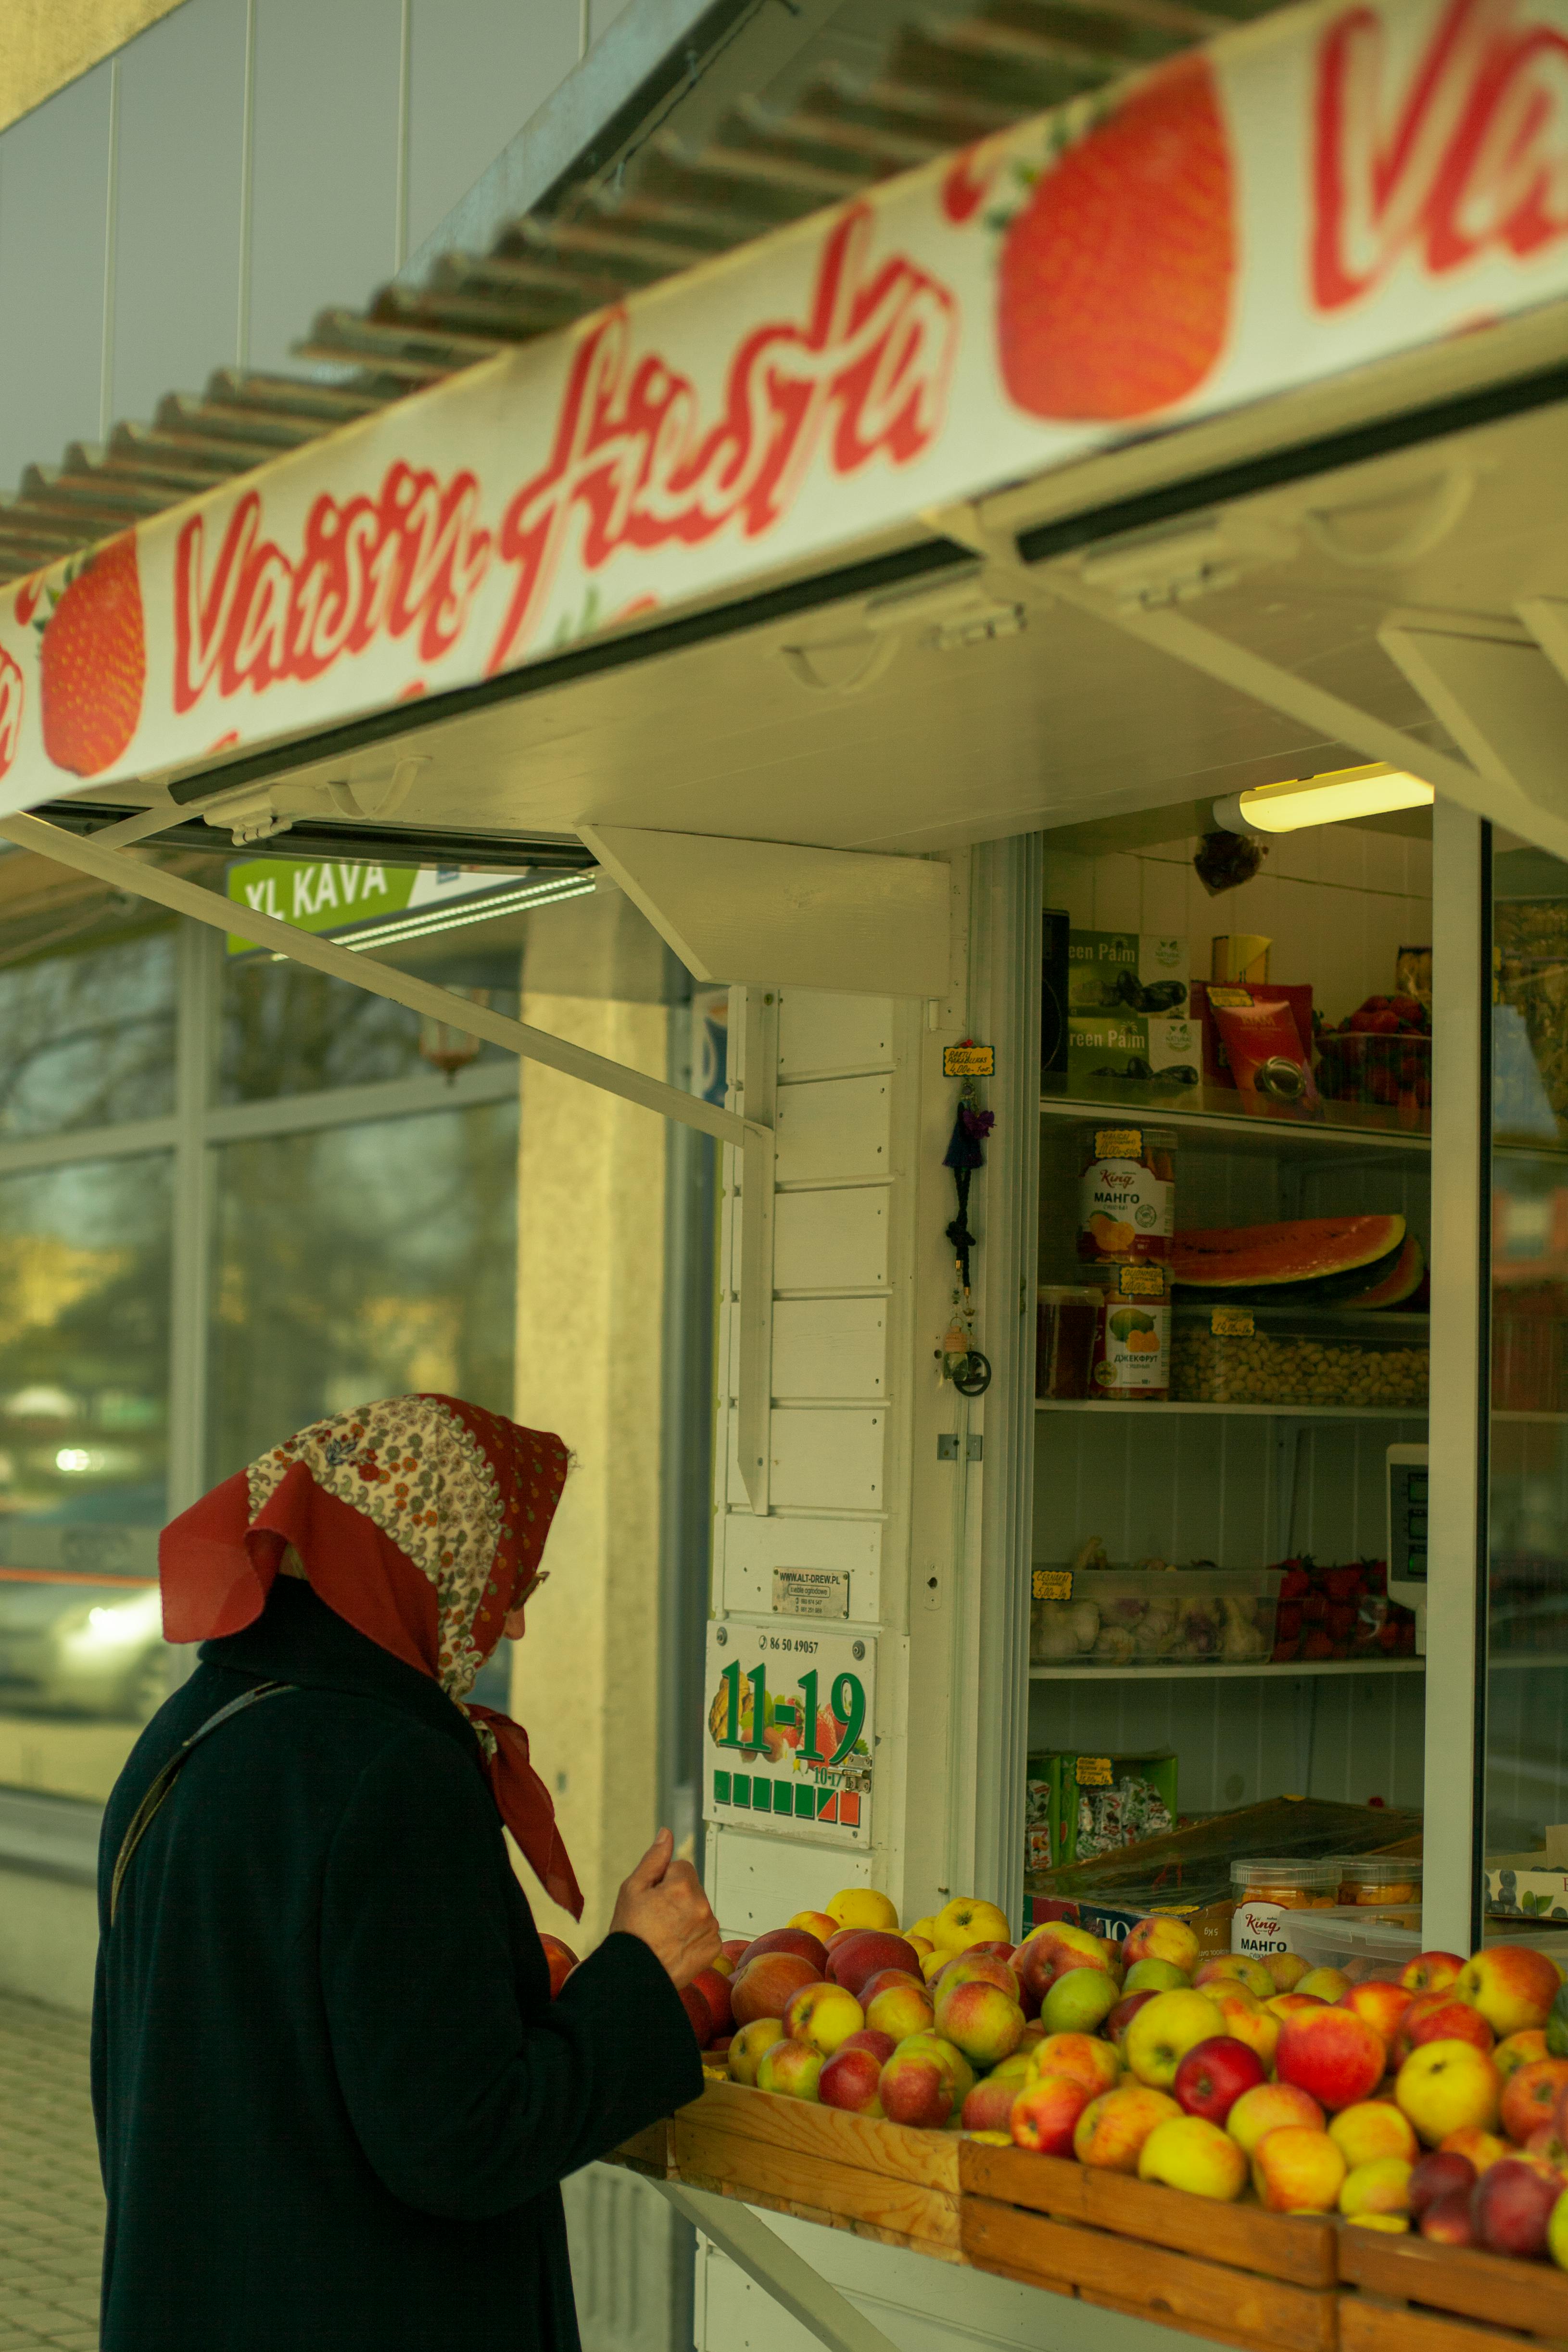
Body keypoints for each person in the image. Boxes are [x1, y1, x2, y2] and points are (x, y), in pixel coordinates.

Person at [91, 1393, 720, 2352]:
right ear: (423, 1554)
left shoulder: (192, 1729)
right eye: (508, 1579)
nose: (510, 1621)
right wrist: (639, 1968)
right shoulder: (391, 1772)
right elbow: (464, 2140)